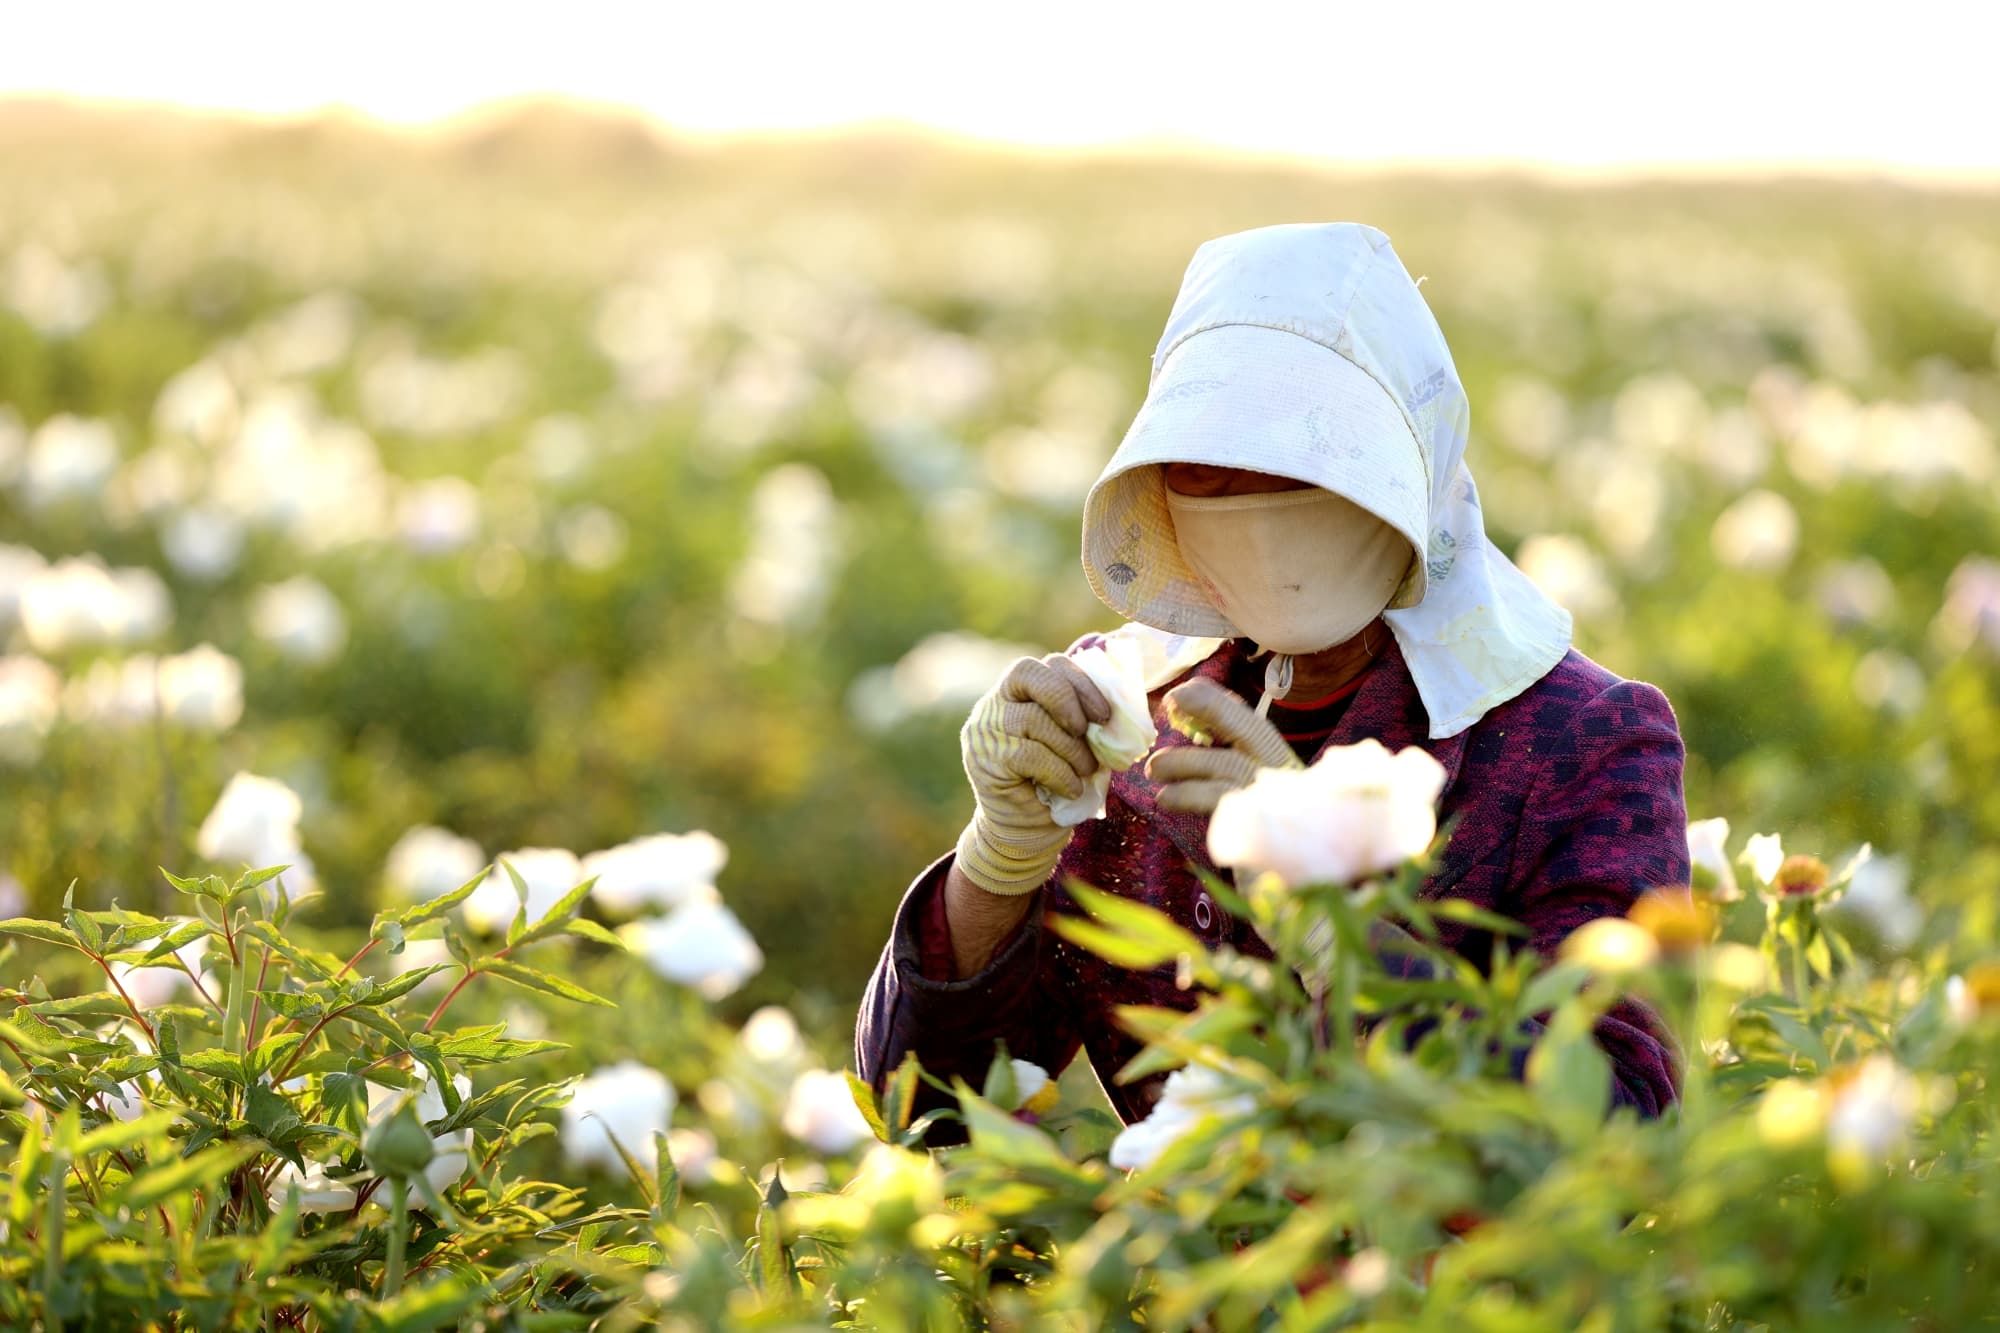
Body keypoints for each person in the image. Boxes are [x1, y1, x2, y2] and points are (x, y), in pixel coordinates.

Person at [854, 222, 1690, 1143]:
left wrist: (1333, 919)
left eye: (1306, 451)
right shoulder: (1131, 714)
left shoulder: (1574, 737)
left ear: (1403, 466)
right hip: (1172, 1232)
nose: (1251, 490)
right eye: (1213, 456)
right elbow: (928, 1108)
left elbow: (1616, 1127)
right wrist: (999, 859)